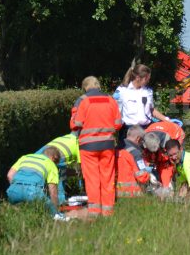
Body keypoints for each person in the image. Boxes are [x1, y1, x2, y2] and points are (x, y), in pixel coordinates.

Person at [72, 76, 123, 217]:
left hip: (88, 146)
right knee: (107, 178)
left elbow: (75, 124)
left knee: (92, 179)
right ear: (98, 85)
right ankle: (108, 211)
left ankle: (94, 212)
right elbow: (118, 123)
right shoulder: (110, 99)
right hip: (107, 144)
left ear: (85, 87)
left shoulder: (82, 100)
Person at [115, 64, 173, 145]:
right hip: (129, 131)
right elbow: (115, 111)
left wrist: (166, 119)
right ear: (138, 78)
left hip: (146, 129)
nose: (148, 81)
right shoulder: (122, 91)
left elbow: (151, 110)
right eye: (146, 79)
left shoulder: (148, 91)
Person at [6, 147, 63, 216]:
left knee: (16, 214)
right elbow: (53, 192)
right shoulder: (51, 164)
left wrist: (17, 187)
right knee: (53, 214)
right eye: (56, 162)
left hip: (13, 190)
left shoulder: (25, 157)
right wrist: (56, 210)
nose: (56, 164)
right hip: (32, 191)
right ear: (53, 158)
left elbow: (9, 175)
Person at [36, 133, 79, 205]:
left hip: (41, 152)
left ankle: (41, 200)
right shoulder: (80, 142)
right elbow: (83, 168)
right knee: (59, 176)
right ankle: (60, 202)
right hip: (57, 153)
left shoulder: (67, 137)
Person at [142, 120, 186, 188]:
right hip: (159, 132)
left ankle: (172, 179)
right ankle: (157, 180)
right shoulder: (143, 138)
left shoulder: (166, 139)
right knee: (153, 158)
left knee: (169, 160)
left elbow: (169, 158)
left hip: (177, 133)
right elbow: (144, 158)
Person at [116, 125, 151, 198]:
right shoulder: (136, 153)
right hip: (132, 193)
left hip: (115, 192)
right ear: (138, 139)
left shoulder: (116, 149)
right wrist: (148, 172)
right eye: (142, 141)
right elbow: (142, 177)